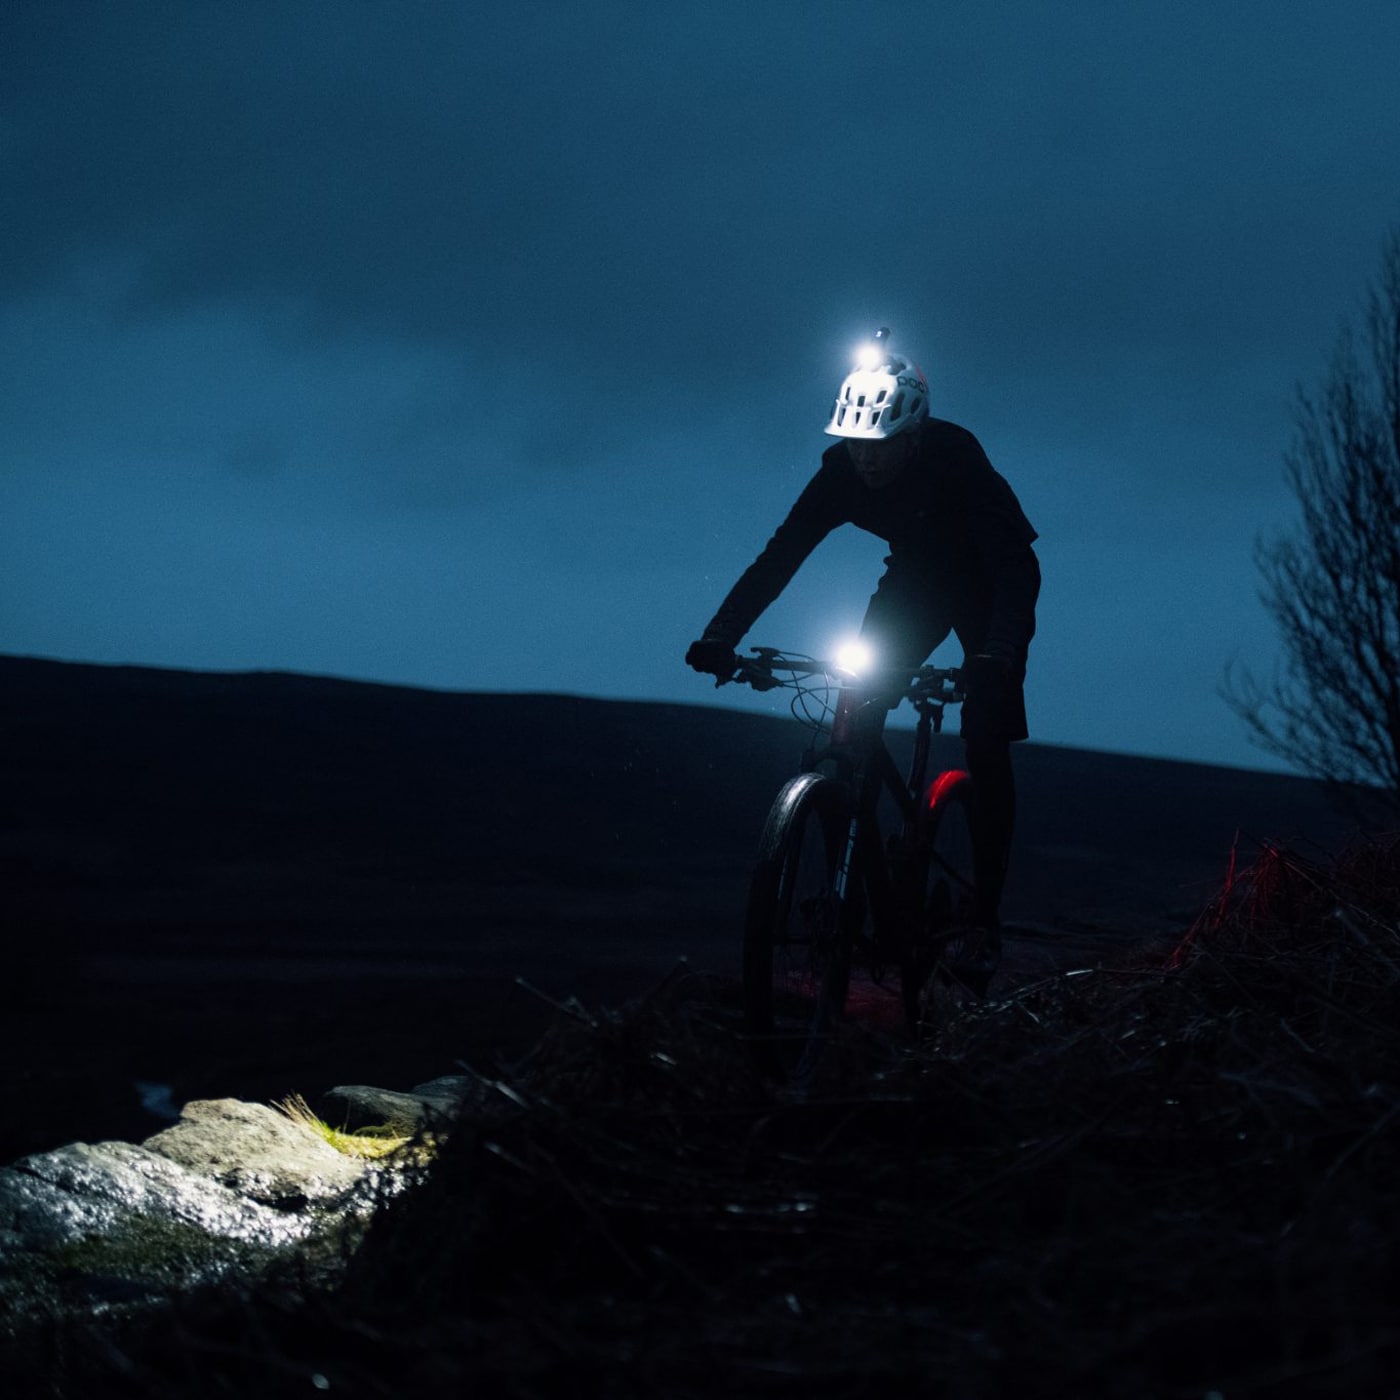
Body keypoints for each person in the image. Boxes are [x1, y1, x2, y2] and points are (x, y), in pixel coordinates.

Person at [685, 328, 1040, 983]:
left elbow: (1016, 569)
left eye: (880, 448)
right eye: (854, 445)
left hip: (991, 586)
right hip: (916, 582)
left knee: (986, 735)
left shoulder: (956, 458)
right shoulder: (838, 474)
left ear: (912, 437)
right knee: (857, 698)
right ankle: (854, 871)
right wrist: (720, 636)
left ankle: (983, 914)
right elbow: (781, 555)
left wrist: (998, 653)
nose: (866, 461)